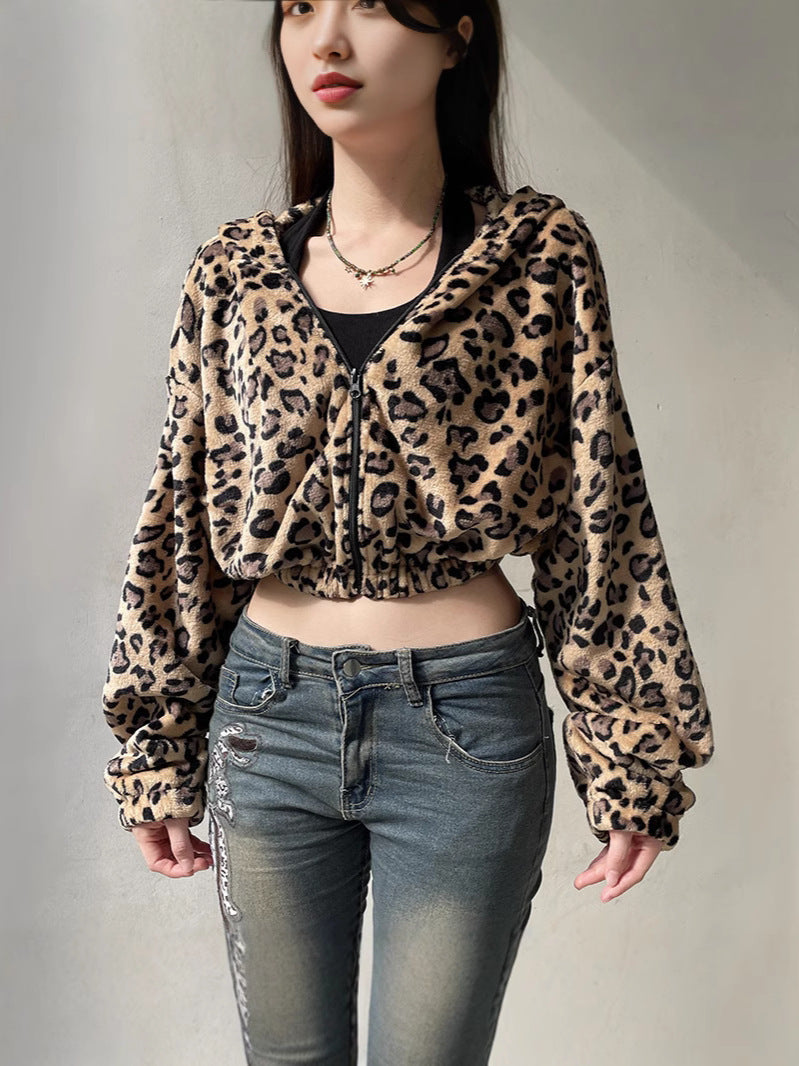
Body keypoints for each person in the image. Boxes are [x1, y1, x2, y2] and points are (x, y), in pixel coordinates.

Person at [100, 1, 715, 1062]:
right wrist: (155, 741)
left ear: (456, 34)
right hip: (267, 718)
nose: (326, 40)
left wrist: (631, 755)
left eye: (371, 4)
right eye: (300, 7)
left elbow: (598, 513)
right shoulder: (234, 271)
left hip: (463, 724)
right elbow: (179, 520)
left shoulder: (536, 255)